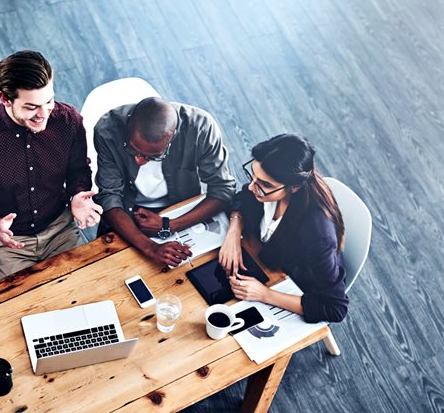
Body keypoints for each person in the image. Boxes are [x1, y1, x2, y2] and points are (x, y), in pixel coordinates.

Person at [0, 50, 102, 280]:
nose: (44, 114)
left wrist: (78, 194)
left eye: (49, 101)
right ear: (5, 99)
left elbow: (78, 169)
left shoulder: (68, 120)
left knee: (87, 290)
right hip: (7, 243)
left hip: (59, 228)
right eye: (32, 107)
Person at [218, 134, 349, 323]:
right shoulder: (263, 190)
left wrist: (265, 294)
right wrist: (234, 230)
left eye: (264, 184)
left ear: (294, 188)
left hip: (292, 286)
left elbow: (335, 309)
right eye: (252, 175)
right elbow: (242, 198)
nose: (252, 187)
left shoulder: (317, 234)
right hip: (263, 262)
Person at [93, 97, 236, 267]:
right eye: (131, 149)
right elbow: (109, 196)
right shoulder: (107, 130)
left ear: (172, 136)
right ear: (128, 123)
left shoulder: (201, 128)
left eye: (152, 157)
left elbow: (223, 189)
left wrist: (169, 225)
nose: (139, 160)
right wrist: (151, 248)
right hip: (124, 213)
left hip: (181, 210)